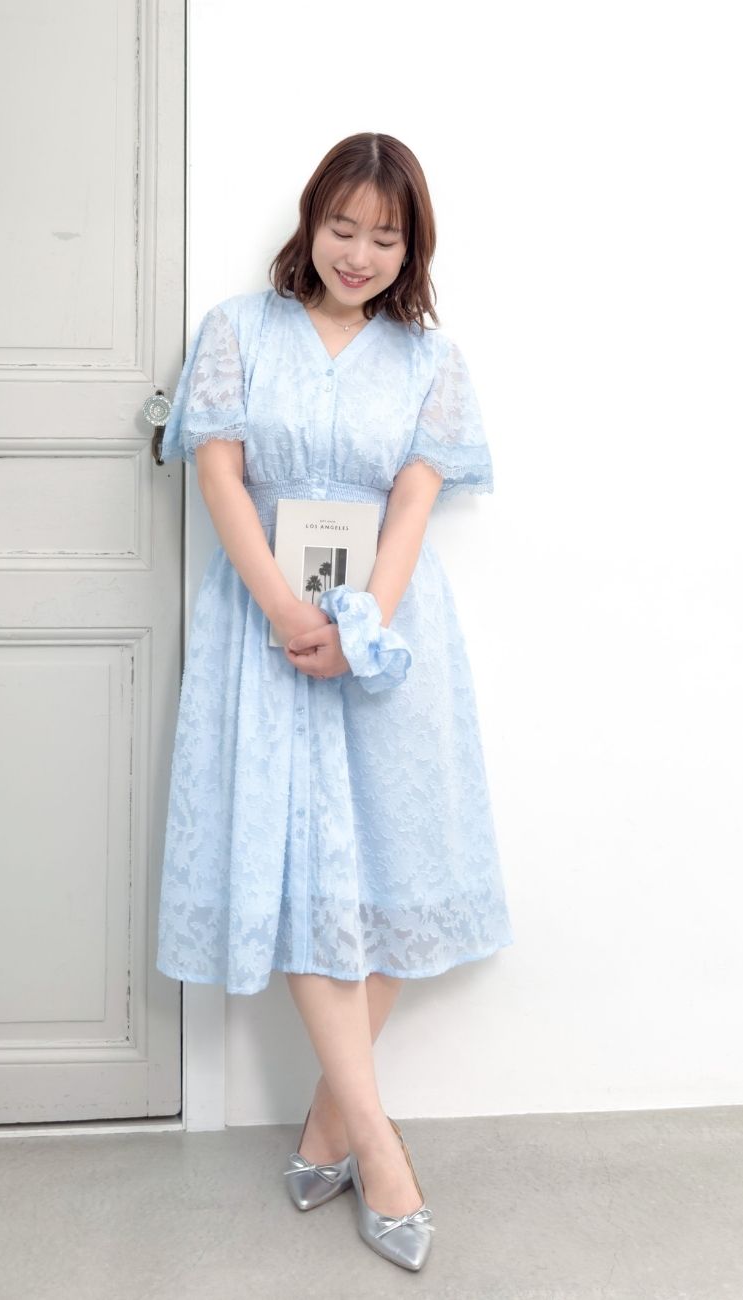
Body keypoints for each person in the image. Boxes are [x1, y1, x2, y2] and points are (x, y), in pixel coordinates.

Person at [155, 131, 514, 1272]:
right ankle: (381, 1149)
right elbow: (219, 473)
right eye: (342, 226)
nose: (358, 253)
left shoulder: (428, 360)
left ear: (412, 248)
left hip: (389, 633)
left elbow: (411, 504)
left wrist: (361, 624)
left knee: (397, 859)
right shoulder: (237, 331)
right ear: (310, 223)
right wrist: (284, 608)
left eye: (384, 237)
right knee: (304, 869)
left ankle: (326, 1126)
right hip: (264, 630)